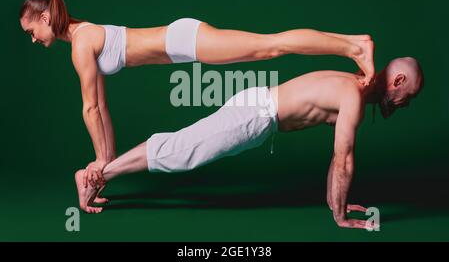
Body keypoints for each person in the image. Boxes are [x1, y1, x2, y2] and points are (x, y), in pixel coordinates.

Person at [19, 0, 375, 203]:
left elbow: (91, 108)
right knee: (269, 48)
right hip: (180, 43)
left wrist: (100, 163)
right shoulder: (83, 36)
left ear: (46, 17)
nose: (33, 39)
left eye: (31, 30)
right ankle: (352, 45)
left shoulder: (80, 44)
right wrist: (103, 164)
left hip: (184, 40)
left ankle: (353, 45)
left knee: (270, 47)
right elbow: (101, 107)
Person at [74, 57, 424, 229]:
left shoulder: (352, 88)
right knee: (181, 152)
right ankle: (96, 175)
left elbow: (337, 157)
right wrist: (342, 217)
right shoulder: (352, 95)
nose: (405, 104)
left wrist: (337, 207)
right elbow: (344, 160)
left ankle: (101, 173)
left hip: (256, 109)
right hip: (255, 116)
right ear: (399, 80)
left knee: (182, 147)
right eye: (407, 96)